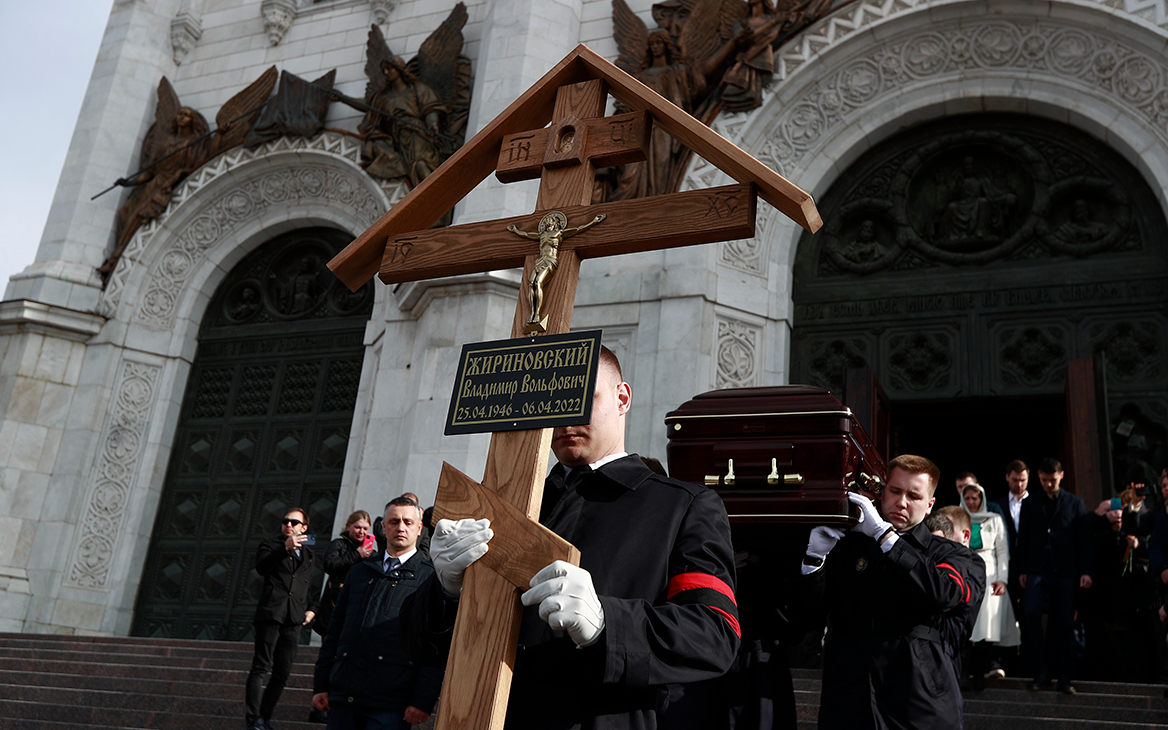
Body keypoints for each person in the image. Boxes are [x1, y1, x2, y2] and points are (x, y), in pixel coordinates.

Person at [400, 346, 740, 730]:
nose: (565, 418)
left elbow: (714, 633)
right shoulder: (507, 504)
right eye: (553, 404)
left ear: (622, 398)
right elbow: (418, 647)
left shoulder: (683, 506)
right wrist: (445, 593)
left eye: (580, 398)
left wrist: (606, 623)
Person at [799, 455, 985, 730]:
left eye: (913, 496)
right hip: (851, 693)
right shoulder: (850, 545)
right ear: (882, 492)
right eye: (895, 491)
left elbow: (943, 592)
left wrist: (887, 539)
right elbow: (812, 613)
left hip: (917, 694)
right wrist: (814, 561)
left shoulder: (950, 552)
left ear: (930, 504)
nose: (901, 502)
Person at [312, 498, 441, 730]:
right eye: (394, 521)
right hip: (345, 697)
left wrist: (423, 700)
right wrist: (321, 683)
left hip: (391, 703)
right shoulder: (359, 572)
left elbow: (433, 647)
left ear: (419, 528)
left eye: (408, 522)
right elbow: (336, 631)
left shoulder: (430, 580)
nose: (400, 527)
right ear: (383, 528)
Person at [1017, 458, 1092, 694]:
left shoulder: (1075, 503)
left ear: (1061, 476)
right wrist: (1022, 569)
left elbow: (1083, 541)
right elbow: (1023, 539)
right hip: (1038, 569)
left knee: (1064, 623)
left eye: (1053, 480)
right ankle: (1041, 670)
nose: (1049, 484)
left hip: (1066, 571)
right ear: (1039, 477)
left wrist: (1086, 571)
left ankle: (1064, 678)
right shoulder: (1030, 503)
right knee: (1029, 614)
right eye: (1044, 480)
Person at [246, 508, 317, 730]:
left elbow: (308, 586)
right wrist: (284, 549)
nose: (289, 525)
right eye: (286, 521)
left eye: (295, 522)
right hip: (271, 614)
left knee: (282, 672)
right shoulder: (270, 545)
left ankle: (264, 718)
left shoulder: (309, 555)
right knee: (261, 667)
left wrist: (312, 609)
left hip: (294, 619)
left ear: (304, 528)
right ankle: (253, 719)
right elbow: (261, 567)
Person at [961, 483, 1020, 685]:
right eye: (967, 498)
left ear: (982, 499)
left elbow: (1003, 551)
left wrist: (1002, 579)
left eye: (975, 498)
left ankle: (978, 675)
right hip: (964, 572)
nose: (971, 502)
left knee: (988, 627)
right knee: (966, 626)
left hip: (990, 575)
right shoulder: (958, 518)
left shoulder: (994, 519)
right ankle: (962, 675)